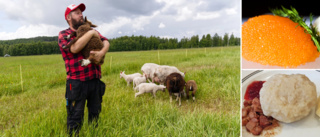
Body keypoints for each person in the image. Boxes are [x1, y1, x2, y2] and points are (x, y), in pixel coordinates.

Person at [58, 3, 110, 136]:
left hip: (94, 81)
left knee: (95, 114)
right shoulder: (64, 34)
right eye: (77, 13)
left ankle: (94, 134)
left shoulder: (88, 29)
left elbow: (106, 41)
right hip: (76, 83)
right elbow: (74, 48)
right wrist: (92, 32)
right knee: (75, 117)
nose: (81, 15)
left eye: (81, 12)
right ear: (69, 17)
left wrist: (101, 53)